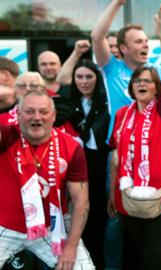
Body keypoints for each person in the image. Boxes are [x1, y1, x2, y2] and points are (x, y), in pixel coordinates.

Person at [109, 4, 161, 269]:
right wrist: (111, 194)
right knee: (139, 258)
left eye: (148, 81)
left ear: (157, 89)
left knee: (158, 259)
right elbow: (117, 155)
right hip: (128, 198)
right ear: (132, 86)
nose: (142, 84)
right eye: (138, 80)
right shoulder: (121, 115)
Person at [0, 91, 94, 270]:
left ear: (54, 116)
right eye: (29, 111)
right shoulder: (7, 136)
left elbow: (80, 201)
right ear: (18, 114)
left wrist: (71, 247)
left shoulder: (72, 147)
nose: (37, 117)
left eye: (43, 112)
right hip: (6, 226)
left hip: (53, 228)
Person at [91, 0, 161, 139]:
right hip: (120, 145)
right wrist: (117, 4)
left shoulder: (158, 70)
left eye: (146, 41)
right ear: (123, 48)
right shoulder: (112, 68)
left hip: (151, 143)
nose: (145, 45)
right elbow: (97, 37)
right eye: (139, 42)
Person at [59, 59, 110, 269]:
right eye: (79, 77)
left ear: (97, 79)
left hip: (99, 166)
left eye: (89, 76)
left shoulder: (107, 102)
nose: (84, 81)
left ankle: (98, 261)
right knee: (75, 216)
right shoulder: (68, 102)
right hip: (73, 166)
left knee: (98, 215)